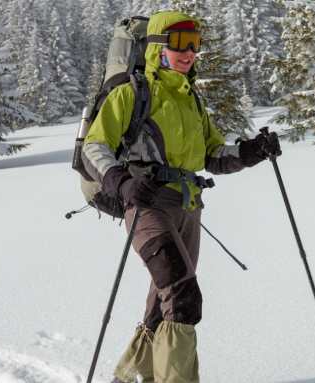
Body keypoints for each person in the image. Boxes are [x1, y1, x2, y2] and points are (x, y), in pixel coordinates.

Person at [82, 10, 281, 383]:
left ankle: (131, 377)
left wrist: (252, 151)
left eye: (194, 44)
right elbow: (95, 146)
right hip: (146, 208)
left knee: (163, 302)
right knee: (184, 297)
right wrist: (122, 182)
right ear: (158, 48)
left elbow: (214, 156)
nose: (189, 53)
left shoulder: (193, 100)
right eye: (179, 44)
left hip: (188, 209)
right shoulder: (132, 94)